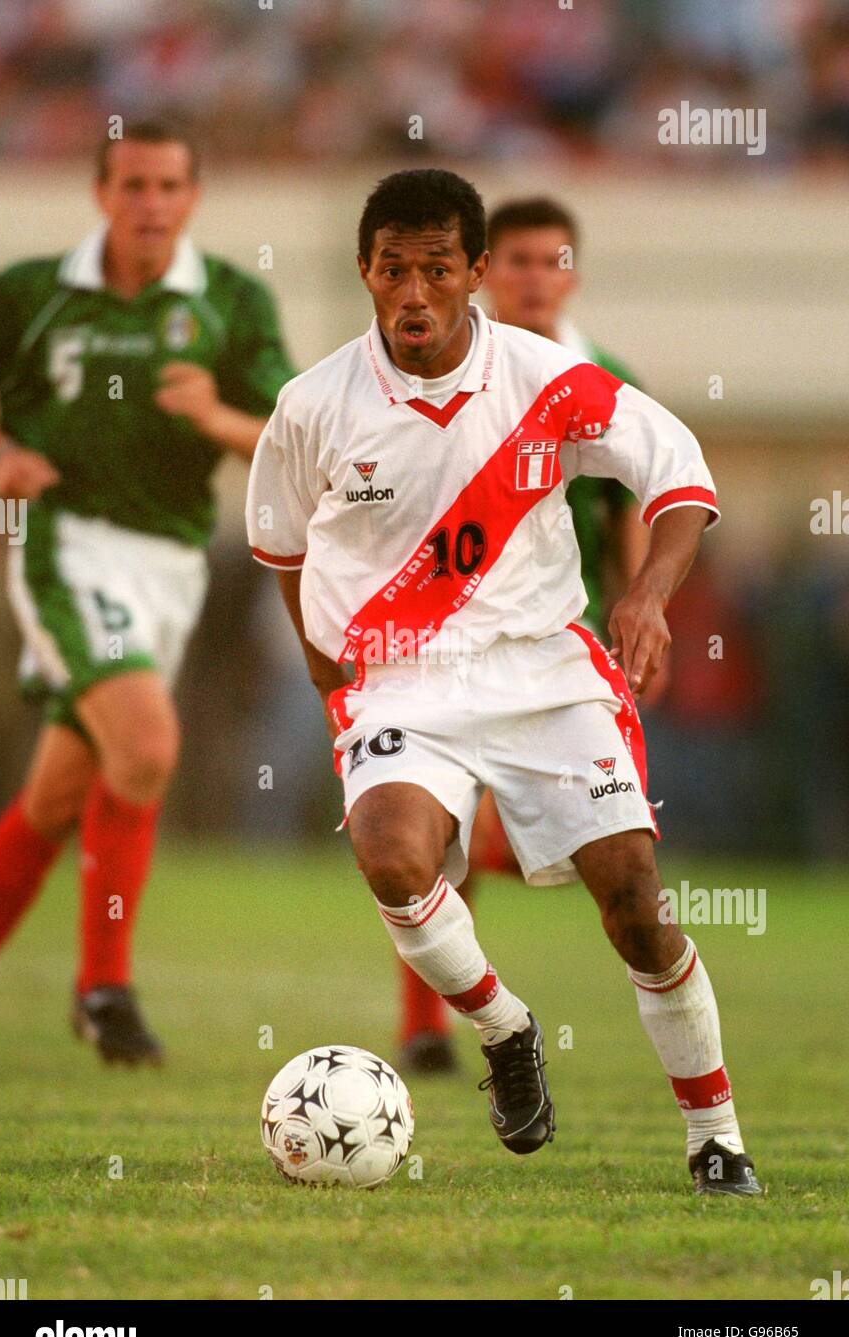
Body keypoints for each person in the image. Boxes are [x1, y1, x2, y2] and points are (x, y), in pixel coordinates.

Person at [247, 168, 760, 1195]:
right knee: (394, 857)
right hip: (401, 680)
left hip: (545, 671)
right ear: (365, 273)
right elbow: (284, 555)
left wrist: (652, 595)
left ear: (474, 272)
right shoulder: (311, 407)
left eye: (437, 268)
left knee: (638, 909)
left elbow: (682, 476)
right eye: (393, 269)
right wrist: (332, 689)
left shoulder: (548, 378)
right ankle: (505, 1027)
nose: (414, 292)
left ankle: (717, 1137)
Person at [0, 119, 294, 1063]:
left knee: (53, 800)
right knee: (150, 741)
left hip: (172, 562)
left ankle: (99, 989)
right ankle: (105, 988)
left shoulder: (231, 302)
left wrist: (214, 413)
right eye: (132, 185)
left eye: (168, 187)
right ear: (100, 193)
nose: (150, 205)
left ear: (193, 197)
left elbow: (293, 437)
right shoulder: (32, 294)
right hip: (67, 549)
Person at [397, 195, 653, 1074]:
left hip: (561, 649)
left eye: (552, 260)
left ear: (572, 272)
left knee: (601, 857)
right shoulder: (436, 374)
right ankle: (427, 1025)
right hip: (446, 648)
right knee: (434, 828)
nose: (535, 277)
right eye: (517, 261)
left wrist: (644, 610)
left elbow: (630, 510)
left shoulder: (600, 376)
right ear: (483, 272)